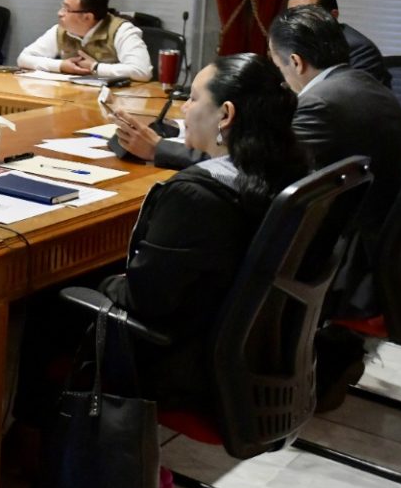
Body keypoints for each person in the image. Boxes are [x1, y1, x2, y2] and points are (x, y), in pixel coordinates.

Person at [97, 54, 307, 410]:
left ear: (225, 114)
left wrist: (102, 282)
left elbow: (146, 300)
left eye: (193, 98)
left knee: (50, 300)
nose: (183, 109)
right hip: (253, 359)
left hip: (181, 366)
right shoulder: (290, 169)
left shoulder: (195, 195)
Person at [268, 6, 401, 308]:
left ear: (296, 62)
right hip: (383, 248)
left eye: (278, 66)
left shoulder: (320, 103)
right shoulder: (368, 85)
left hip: (346, 264)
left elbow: (266, 169)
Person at [16, 0, 152, 81]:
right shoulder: (60, 30)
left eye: (67, 9)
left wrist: (95, 67)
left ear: (87, 17)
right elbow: (24, 59)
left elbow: (142, 71)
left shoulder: (121, 31)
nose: (60, 13)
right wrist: (61, 66)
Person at [286, 0, 391, 87]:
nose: (297, 20)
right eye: (292, 14)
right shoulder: (292, 42)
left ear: (333, 16)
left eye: (306, 13)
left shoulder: (358, 48)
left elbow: (353, 93)